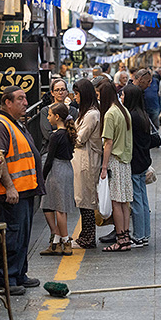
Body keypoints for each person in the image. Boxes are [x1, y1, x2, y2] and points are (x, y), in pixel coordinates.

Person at [0, 86, 45, 296]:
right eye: (20, 99)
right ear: (7, 102)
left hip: (24, 190)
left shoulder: (14, 123)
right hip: (10, 193)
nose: (26, 103)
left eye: (26, 98)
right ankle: (6, 279)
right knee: (12, 236)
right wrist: (9, 186)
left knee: (22, 236)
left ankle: (19, 274)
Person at [97, 80, 133, 252]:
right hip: (126, 161)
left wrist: (103, 167)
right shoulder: (123, 110)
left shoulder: (110, 114)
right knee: (124, 202)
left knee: (116, 203)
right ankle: (125, 238)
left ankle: (120, 239)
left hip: (115, 161)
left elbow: (108, 142)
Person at [40, 103, 77, 256]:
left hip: (56, 170)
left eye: (49, 115)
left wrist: (42, 176)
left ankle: (65, 240)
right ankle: (55, 242)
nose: (48, 118)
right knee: (52, 205)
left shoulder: (55, 135)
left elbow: (49, 159)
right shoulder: (68, 133)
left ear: (57, 117)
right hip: (67, 168)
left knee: (58, 208)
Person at [71, 79, 102, 249]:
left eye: (77, 94)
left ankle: (88, 238)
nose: (74, 97)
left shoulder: (91, 115)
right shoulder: (87, 113)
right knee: (83, 198)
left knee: (87, 200)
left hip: (88, 160)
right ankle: (84, 235)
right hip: (83, 160)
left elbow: (79, 139)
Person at [122, 84, 153, 248]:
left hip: (134, 161)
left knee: (136, 201)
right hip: (144, 161)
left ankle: (139, 236)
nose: (121, 98)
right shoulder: (143, 115)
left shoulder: (131, 116)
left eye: (123, 96)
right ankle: (145, 233)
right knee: (143, 199)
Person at [39, 79, 78, 156]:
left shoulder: (73, 111)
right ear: (52, 93)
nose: (60, 92)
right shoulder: (45, 111)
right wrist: (66, 132)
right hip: (49, 151)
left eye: (63, 89)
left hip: (69, 152)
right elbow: (47, 135)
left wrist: (56, 131)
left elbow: (75, 133)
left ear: (67, 92)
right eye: (57, 90)